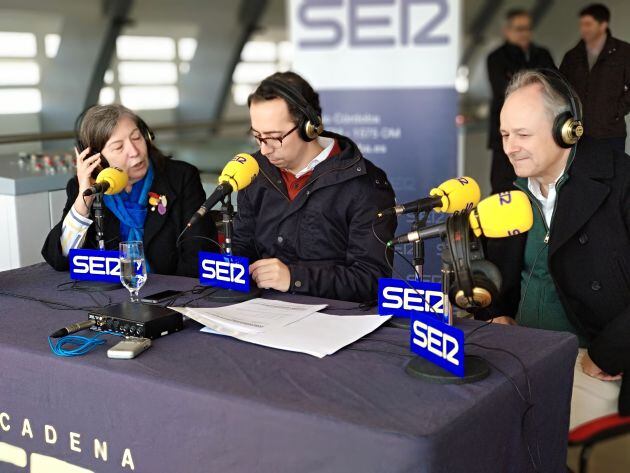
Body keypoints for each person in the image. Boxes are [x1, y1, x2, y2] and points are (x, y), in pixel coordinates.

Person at [485, 69, 630, 429]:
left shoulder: (622, 182)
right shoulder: (509, 193)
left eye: (522, 134)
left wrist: (610, 352)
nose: (509, 147)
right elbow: (497, 278)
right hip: (521, 353)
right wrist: (496, 314)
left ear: (568, 129)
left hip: (595, 363)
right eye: (505, 134)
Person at [231, 72, 396, 303]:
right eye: (257, 136)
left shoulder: (365, 186)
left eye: (274, 137)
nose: (264, 150)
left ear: (310, 127)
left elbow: (372, 280)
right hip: (261, 311)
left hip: (336, 322)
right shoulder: (254, 172)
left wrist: (295, 278)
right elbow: (242, 247)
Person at [42, 104, 217, 277]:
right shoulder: (87, 188)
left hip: (170, 296)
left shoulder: (181, 177)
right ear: (97, 158)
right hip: (111, 297)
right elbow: (59, 258)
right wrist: (84, 201)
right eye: (119, 147)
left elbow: (199, 257)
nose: (134, 152)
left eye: (137, 137)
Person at [486, 8, 555, 194]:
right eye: (519, 28)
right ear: (507, 31)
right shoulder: (496, 58)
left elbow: (554, 86)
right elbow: (506, 90)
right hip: (506, 132)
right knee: (504, 186)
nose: (525, 33)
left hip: (539, 131)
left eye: (528, 28)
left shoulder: (542, 54)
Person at [560, 3, 630, 152]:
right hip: (577, 133)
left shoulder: (624, 52)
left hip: (610, 134)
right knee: (579, 175)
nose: (583, 29)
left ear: (603, 25)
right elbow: (561, 89)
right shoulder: (572, 56)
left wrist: (616, 112)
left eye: (588, 24)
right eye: (581, 24)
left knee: (613, 174)